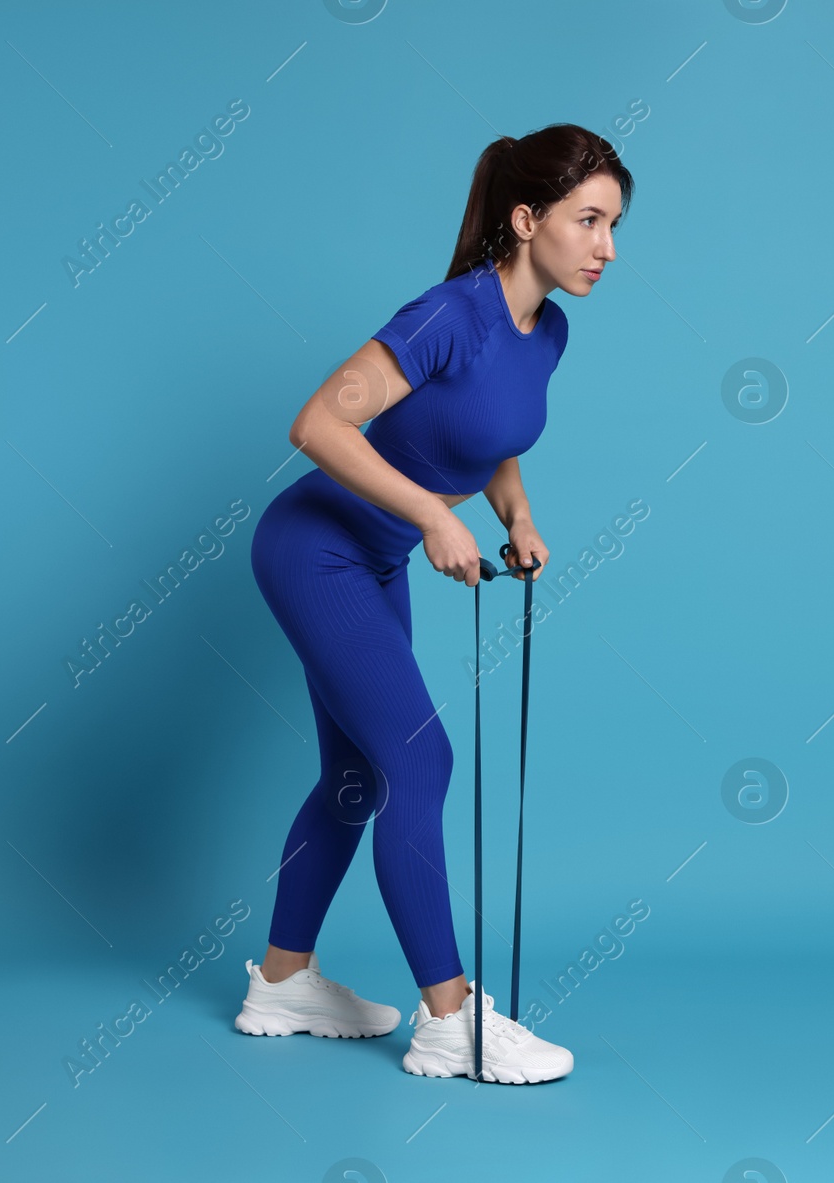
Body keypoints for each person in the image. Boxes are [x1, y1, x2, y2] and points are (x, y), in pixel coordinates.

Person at [232, 123, 634, 1084]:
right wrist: (428, 516)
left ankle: (282, 982)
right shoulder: (446, 314)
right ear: (526, 218)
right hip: (315, 550)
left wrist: (516, 514)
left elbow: (493, 431)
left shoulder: (552, 331)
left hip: (373, 562)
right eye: (587, 221)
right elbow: (316, 421)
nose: (606, 247)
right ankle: (451, 1022)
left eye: (615, 225)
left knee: (360, 780)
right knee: (422, 761)